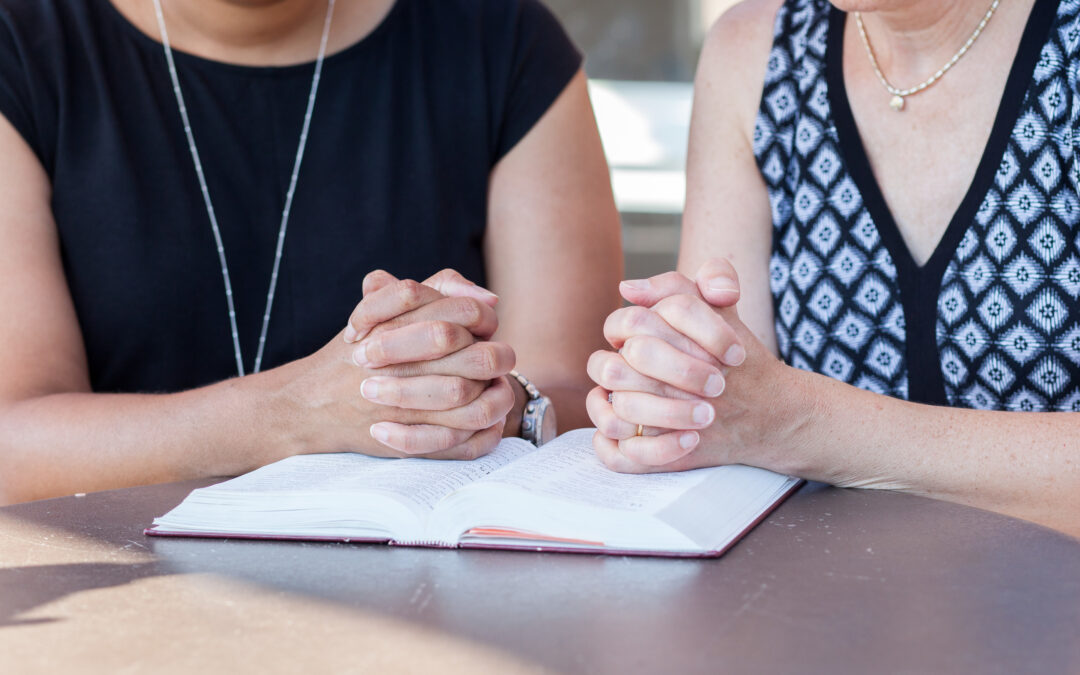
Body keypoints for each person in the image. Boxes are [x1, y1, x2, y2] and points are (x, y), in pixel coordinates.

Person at [0, 0, 622, 504]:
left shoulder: (503, 39)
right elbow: (13, 439)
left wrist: (487, 399)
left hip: (422, 588)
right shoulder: (22, 45)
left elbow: (573, 389)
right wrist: (290, 413)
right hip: (114, 592)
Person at [587, 0, 1080, 537]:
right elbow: (731, 411)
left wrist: (806, 424)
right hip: (815, 606)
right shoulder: (756, 53)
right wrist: (668, 389)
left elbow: (767, 419)